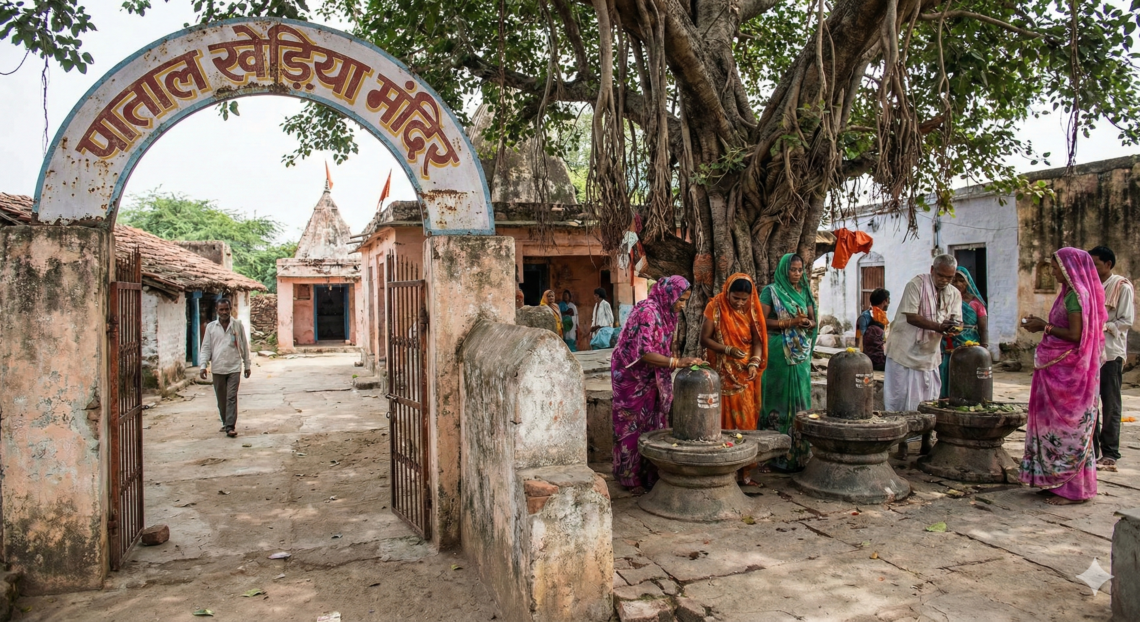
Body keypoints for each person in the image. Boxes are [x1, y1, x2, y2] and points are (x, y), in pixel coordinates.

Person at [1019, 248, 1106, 505]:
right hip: (1056, 371)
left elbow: (1076, 335)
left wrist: (1043, 326)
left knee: (1069, 432)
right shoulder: (1068, 294)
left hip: (1070, 375)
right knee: (1053, 429)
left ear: (1070, 269)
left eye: (1057, 268)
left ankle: (1073, 490)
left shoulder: (1076, 297)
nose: (1054, 272)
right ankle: (1055, 482)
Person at [611, 276, 705, 492]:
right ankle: (630, 478)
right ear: (668, 294)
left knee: (653, 423)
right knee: (631, 426)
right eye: (680, 300)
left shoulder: (667, 313)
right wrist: (677, 362)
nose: (682, 305)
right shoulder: (648, 312)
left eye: (685, 301)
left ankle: (650, 474)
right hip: (631, 378)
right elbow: (644, 352)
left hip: (651, 375)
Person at [701, 274, 768, 483]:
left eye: (743, 299)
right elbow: (705, 339)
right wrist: (727, 349)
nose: (739, 303)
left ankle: (744, 473)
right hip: (722, 374)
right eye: (735, 298)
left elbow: (757, 340)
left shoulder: (752, 309)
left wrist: (754, 362)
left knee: (746, 422)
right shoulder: (715, 306)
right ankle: (722, 472)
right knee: (720, 424)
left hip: (745, 374)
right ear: (727, 291)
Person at [759, 254, 817, 472]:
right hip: (778, 353)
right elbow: (762, 321)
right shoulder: (771, 291)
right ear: (784, 270)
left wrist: (808, 323)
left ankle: (798, 455)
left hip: (800, 353)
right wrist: (791, 322)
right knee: (777, 398)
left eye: (800, 269)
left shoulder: (805, 291)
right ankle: (773, 456)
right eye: (793, 269)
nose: (797, 273)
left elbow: (812, 320)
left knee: (801, 398)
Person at [884, 255, 962, 412]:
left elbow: (958, 321)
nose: (944, 280)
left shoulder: (954, 293)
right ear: (932, 270)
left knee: (928, 400)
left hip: (929, 354)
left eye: (949, 277)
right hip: (904, 351)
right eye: (941, 275)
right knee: (900, 398)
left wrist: (954, 329)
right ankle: (899, 424)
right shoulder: (916, 285)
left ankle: (924, 425)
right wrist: (939, 327)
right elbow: (912, 317)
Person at [1088, 246, 1134, 471]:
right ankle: (1091, 450)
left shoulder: (1121, 286)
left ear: (1108, 264)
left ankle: (1110, 452)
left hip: (1111, 352)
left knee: (1110, 404)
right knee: (1090, 403)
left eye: (1095, 264)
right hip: (1090, 352)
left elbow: (1126, 321)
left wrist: (1104, 326)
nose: (1092, 269)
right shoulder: (1090, 285)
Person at [198, 298, 252, 438]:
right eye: (221, 309)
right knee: (222, 400)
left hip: (234, 367)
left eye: (226, 309)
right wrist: (203, 366)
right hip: (217, 368)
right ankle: (226, 421)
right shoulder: (211, 327)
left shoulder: (237, 325)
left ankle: (230, 427)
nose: (224, 312)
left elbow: (244, 345)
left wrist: (247, 365)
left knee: (231, 397)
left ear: (230, 309)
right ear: (216, 310)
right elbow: (206, 347)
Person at [939, 267, 988, 398]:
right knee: (946, 368)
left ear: (968, 283)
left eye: (962, 281)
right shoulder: (945, 299)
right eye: (954, 280)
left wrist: (985, 347)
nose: (958, 284)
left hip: (970, 342)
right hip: (949, 341)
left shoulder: (976, 303)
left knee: (968, 369)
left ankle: (967, 397)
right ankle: (946, 397)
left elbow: (983, 327)